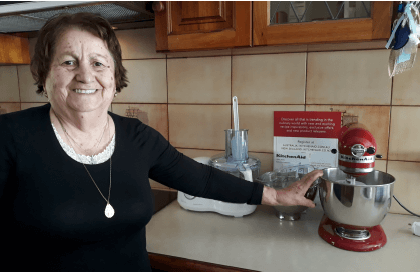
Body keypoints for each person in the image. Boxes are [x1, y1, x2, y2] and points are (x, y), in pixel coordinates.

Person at [0, 13, 323, 271]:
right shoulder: (11, 137)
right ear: (45, 73)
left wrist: (275, 196)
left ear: (114, 78)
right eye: (68, 62)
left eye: (98, 63)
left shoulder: (137, 136)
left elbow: (201, 179)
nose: (86, 75)